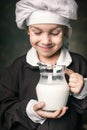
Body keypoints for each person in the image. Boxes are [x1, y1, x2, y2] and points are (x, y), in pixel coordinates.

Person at [0, 0, 87, 130]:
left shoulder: (79, 64)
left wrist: (83, 91)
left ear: (65, 32)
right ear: (28, 31)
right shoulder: (17, 68)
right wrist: (30, 111)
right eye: (37, 32)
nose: (46, 41)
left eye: (55, 33)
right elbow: (4, 109)